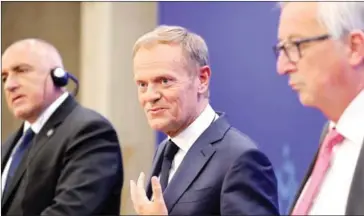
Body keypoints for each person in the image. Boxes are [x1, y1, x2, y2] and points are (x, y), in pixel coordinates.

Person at [129, 25, 280, 215]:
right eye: (142, 84)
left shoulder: (240, 159)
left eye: (165, 81)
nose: (150, 95)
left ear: (202, 79)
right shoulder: (166, 149)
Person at [1, 38, 123, 216]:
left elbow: (71, 211)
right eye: (4, 77)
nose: (10, 85)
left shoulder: (90, 132)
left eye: (21, 70)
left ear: (58, 76)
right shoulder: (10, 144)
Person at [275, 2, 364, 215]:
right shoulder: (332, 137)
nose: (282, 67)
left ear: (354, 47)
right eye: (281, 48)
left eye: (296, 45)